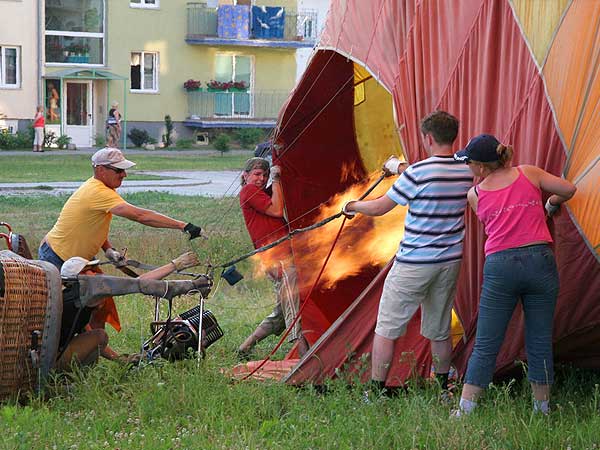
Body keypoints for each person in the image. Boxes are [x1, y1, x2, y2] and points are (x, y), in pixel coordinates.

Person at [343, 111, 473, 395]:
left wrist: (352, 206)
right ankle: (442, 390)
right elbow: (431, 170)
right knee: (439, 329)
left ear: (427, 138)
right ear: (453, 136)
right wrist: (399, 167)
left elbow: (380, 207)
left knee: (387, 327)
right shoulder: (466, 169)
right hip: (449, 261)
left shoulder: (418, 173)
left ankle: (376, 392)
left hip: (413, 263)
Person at [451, 135, 576, 416]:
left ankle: (465, 411)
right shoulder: (529, 173)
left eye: (469, 163)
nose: (468, 167)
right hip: (540, 260)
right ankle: (541, 409)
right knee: (540, 338)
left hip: (501, 266)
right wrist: (551, 203)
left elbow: (491, 222)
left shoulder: (476, 194)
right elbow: (569, 188)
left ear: (481, 168)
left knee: (486, 341)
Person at [38, 147, 203, 358]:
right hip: (59, 260)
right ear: (100, 170)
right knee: (66, 318)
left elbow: (91, 225)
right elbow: (140, 216)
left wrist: (108, 250)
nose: (123, 174)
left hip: (77, 259)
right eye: (118, 170)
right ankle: (65, 358)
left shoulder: (101, 190)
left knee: (99, 306)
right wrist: (183, 226)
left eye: (124, 170)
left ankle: (92, 353)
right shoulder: (97, 191)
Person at [56, 251, 200, 370]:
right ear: (78, 278)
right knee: (100, 336)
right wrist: (175, 266)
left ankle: (71, 377)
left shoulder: (72, 298)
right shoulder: (83, 294)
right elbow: (140, 283)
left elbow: (86, 331)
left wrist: (121, 360)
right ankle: (64, 379)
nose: (95, 275)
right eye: (90, 271)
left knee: (95, 336)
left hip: (53, 356)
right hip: (53, 361)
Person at [237, 157, 309, 358]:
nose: (262, 178)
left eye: (265, 175)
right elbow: (277, 210)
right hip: (278, 259)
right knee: (292, 306)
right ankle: (304, 357)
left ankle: (245, 347)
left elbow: (280, 195)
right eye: (257, 174)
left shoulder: (261, 193)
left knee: (281, 311)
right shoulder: (248, 191)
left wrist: (278, 179)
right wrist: (276, 179)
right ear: (245, 176)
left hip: (281, 256)